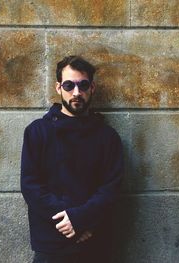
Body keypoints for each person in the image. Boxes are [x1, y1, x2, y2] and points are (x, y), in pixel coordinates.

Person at [21, 56, 124, 263]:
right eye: (69, 85)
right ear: (59, 88)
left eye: (83, 85)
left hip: (94, 243)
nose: (76, 92)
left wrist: (81, 220)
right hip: (51, 245)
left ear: (92, 87)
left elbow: (111, 188)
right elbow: (31, 186)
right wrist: (71, 223)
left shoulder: (108, 137)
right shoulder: (37, 131)